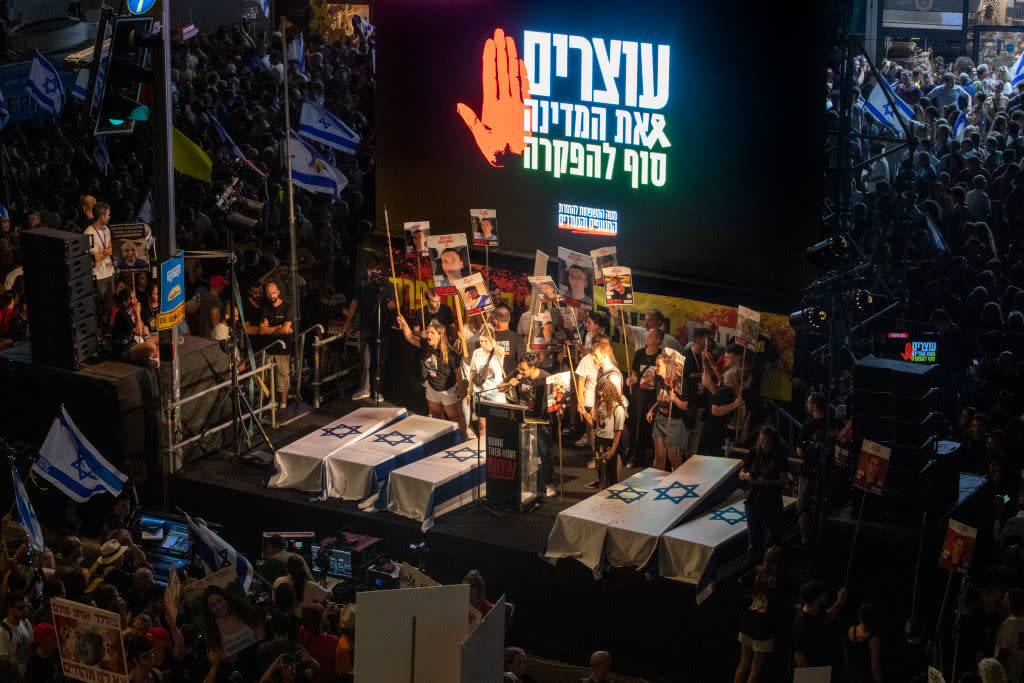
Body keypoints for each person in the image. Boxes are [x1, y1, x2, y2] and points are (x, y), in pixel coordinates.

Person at [396, 316, 468, 440]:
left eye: (432, 332)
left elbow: (458, 372)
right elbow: (410, 337)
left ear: (440, 336)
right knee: (436, 417)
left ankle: (463, 440)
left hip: (447, 389)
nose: (428, 333)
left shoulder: (450, 353)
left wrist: (460, 389)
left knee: (455, 418)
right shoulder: (426, 346)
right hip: (432, 387)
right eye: (428, 331)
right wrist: (404, 324)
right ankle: (442, 440)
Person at [340, 258, 396, 401]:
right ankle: (364, 388)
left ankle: (377, 391)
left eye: (373, 274)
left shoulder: (387, 286)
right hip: (366, 327)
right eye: (369, 273)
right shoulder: (363, 284)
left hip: (382, 328)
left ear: (379, 273)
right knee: (365, 359)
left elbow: (394, 305)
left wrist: (392, 306)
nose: (371, 276)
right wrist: (348, 321)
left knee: (379, 360)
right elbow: (355, 301)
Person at [507, 352, 556, 497]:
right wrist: (508, 384)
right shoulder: (516, 373)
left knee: (545, 453)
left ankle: (549, 484)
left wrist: (558, 411)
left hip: (542, 420)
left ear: (533, 367)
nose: (520, 372)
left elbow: (556, 400)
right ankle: (524, 482)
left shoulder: (546, 377)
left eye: (523, 370)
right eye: (519, 369)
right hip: (523, 418)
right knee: (523, 451)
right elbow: (499, 388)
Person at [734, 547, 784, 683]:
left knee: (743, 662)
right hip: (764, 626)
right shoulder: (779, 579)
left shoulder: (757, 571)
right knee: (756, 667)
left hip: (748, 620)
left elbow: (740, 580)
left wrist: (752, 590)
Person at [739, 425, 788, 561]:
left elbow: (783, 480)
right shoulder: (753, 453)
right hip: (753, 499)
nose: (764, 445)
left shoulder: (779, 456)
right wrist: (749, 476)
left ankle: (769, 566)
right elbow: (741, 474)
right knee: (754, 537)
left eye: (767, 442)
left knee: (771, 537)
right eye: (762, 441)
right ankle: (754, 565)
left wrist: (766, 482)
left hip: (771, 500)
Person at [795, 392, 828, 548]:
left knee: (803, 505)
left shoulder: (808, 426)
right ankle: (821, 538)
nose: (807, 406)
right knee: (822, 505)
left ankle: (804, 539)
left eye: (809, 403)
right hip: (827, 471)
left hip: (809, 472)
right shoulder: (834, 423)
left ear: (814, 406)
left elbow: (799, 451)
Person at [793, 579, 847, 670]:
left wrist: (839, 602)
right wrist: (806, 678)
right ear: (817, 598)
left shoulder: (815, 611)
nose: (826, 596)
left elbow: (827, 617)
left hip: (819, 668)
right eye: (823, 594)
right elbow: (799, 656)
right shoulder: (802, 623)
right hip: (811, 671)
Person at [647, 352, 686, 471]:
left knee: (674, 459)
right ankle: (656, 486)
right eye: (655, 365)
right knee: (659, 457)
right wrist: (652, 410)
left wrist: (676, 400)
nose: (655, 368)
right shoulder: (659, 379)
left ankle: (676, 486)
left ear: (667, 366)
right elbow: (660, 399)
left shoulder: (678, 382)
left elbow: (685, 406)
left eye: (658, 365)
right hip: (660, 419)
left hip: (674, 422)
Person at [202, 585, 264, 656]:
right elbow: (218, 654)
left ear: (225, 598)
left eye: (219, 601)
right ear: (209, 609)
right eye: (213, 605)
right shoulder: (212, 630)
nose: (218, 607)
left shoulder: (243, 611)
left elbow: (259, 632)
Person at [261, 281, 293, 412]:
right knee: (268, 378)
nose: (271, 295)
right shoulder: (265, 307)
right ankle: (272, 404)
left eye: (273, 292)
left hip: (283, 349)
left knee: (283, 377)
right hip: (269, 348)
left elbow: (286, 329)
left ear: (278, 292)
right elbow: (262, 330)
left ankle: (283, 405)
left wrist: (273, 329)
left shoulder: (287, 306)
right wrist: (279, 327)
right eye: (269, 293)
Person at [591, 375, 627, 489]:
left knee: (611, 474)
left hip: (609, 442)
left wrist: (612, 451)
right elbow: (595, 424)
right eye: (599, 395)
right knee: (601, 471)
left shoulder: (618, 408)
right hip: (599, 439)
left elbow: (618, 432)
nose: (601, 398)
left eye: (603, 395)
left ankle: (611, 498)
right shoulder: (600, 404)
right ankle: (602, 491)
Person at [467, 328, 506, 436]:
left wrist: (493, 345)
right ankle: (484, 447)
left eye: (486, 341)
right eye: (481, 341)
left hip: (495, 392)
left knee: (498, 424)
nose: (483, 344)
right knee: (481, 424)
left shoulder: (498, 350)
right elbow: (473, 371)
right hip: (480, 392)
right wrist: (469, 389)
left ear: (492, 340)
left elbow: (499, 352)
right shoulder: (476, 352)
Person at [84, 202, 115, 329]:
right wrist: (106, 251)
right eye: (107, 215)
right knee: (101, 306)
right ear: (101, 216)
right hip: (98, 274)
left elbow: (112, 249)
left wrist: (103, 251)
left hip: (109, 271)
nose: (109, 217)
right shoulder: (88, 233)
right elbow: (95, 258)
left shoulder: (107, 230)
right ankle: (100, 331)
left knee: (110, 305)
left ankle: (109, 329)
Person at [703, 367, 746, 458]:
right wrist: (734, 405)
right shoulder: (725, 391)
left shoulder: (736, 392)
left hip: (726, 432)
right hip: (715, 433)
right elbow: (715, 410)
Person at [845, 603, 883, 683]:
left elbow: (845, 654)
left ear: (859, 616)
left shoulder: (850, 631)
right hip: (866, 679)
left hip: (850, 677)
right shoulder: (873, 639)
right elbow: (875, 667)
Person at [0, 592, 32, 679]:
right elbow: (4, 663)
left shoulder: (25, 622)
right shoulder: (3, 631)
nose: (26, 610)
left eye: (26, 606)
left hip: (28, 675)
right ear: (10, 610)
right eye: (21, 608)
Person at [996, 588, 1024, 681]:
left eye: (1004, 599)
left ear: (1009, 603)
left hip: (1007, 677)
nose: (1001, 601)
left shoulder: (1008, 625)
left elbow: (1003, 653)